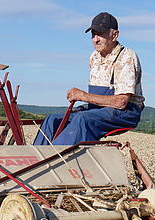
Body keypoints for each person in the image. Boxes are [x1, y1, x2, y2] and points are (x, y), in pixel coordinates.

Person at [33, 12, 144, 146]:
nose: (95, 39)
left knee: (82, 119)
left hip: (125, 112)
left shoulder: (126, 57)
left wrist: (83, 96)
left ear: (115, 35)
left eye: (100, 34)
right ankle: (35, 158)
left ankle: (56, 159)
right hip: (97, 108)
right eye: (93, 34)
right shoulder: (94, 57)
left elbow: (121, 102)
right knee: (53, 119)